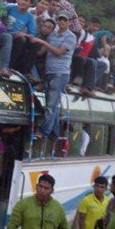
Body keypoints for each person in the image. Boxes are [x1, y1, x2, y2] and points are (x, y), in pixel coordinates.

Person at [29, 11, 76, 140]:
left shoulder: (70, 37)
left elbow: (59, 52)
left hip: (60, 73)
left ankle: (43, 132)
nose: (61, 22)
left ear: (69, 22)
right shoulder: (53, 35)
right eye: (59, 19)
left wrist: (42, 42)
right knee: (52, 105)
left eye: (64, 20)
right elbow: (41, 52)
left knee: (51, 104)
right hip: (49, 72)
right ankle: (55, 134)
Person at [6, 0, 37, 79]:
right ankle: (7, 66)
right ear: (18, 0)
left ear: (31, 4)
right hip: (4, 33)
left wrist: (22, 34)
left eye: (26, 0)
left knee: (31, 43)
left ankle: (24, 70)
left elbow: (32, 35)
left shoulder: (30, 17)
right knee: (20, 40)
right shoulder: (9, 8)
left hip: (16, 37)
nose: (23, 2)